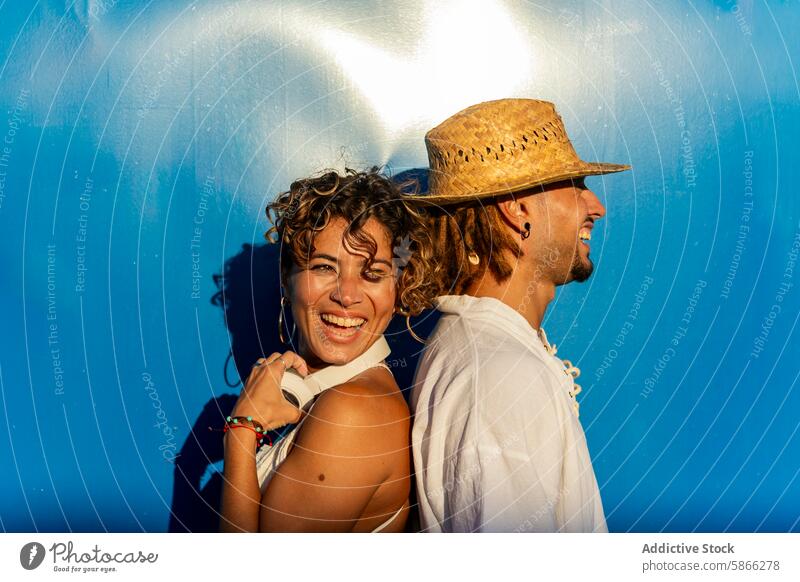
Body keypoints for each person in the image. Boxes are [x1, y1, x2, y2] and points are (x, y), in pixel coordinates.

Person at [410, 98, 631, 532]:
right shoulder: (500, 377)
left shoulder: (489, 353)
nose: (596, 206)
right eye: (576, 183)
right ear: (517, 209)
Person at [220, 168, 437, 532]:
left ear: (397, 289)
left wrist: (241, 432)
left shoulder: (353, 413)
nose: (347, 295)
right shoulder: (326, 392)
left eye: (373, 273)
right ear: (287, 280)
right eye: (324, 267)